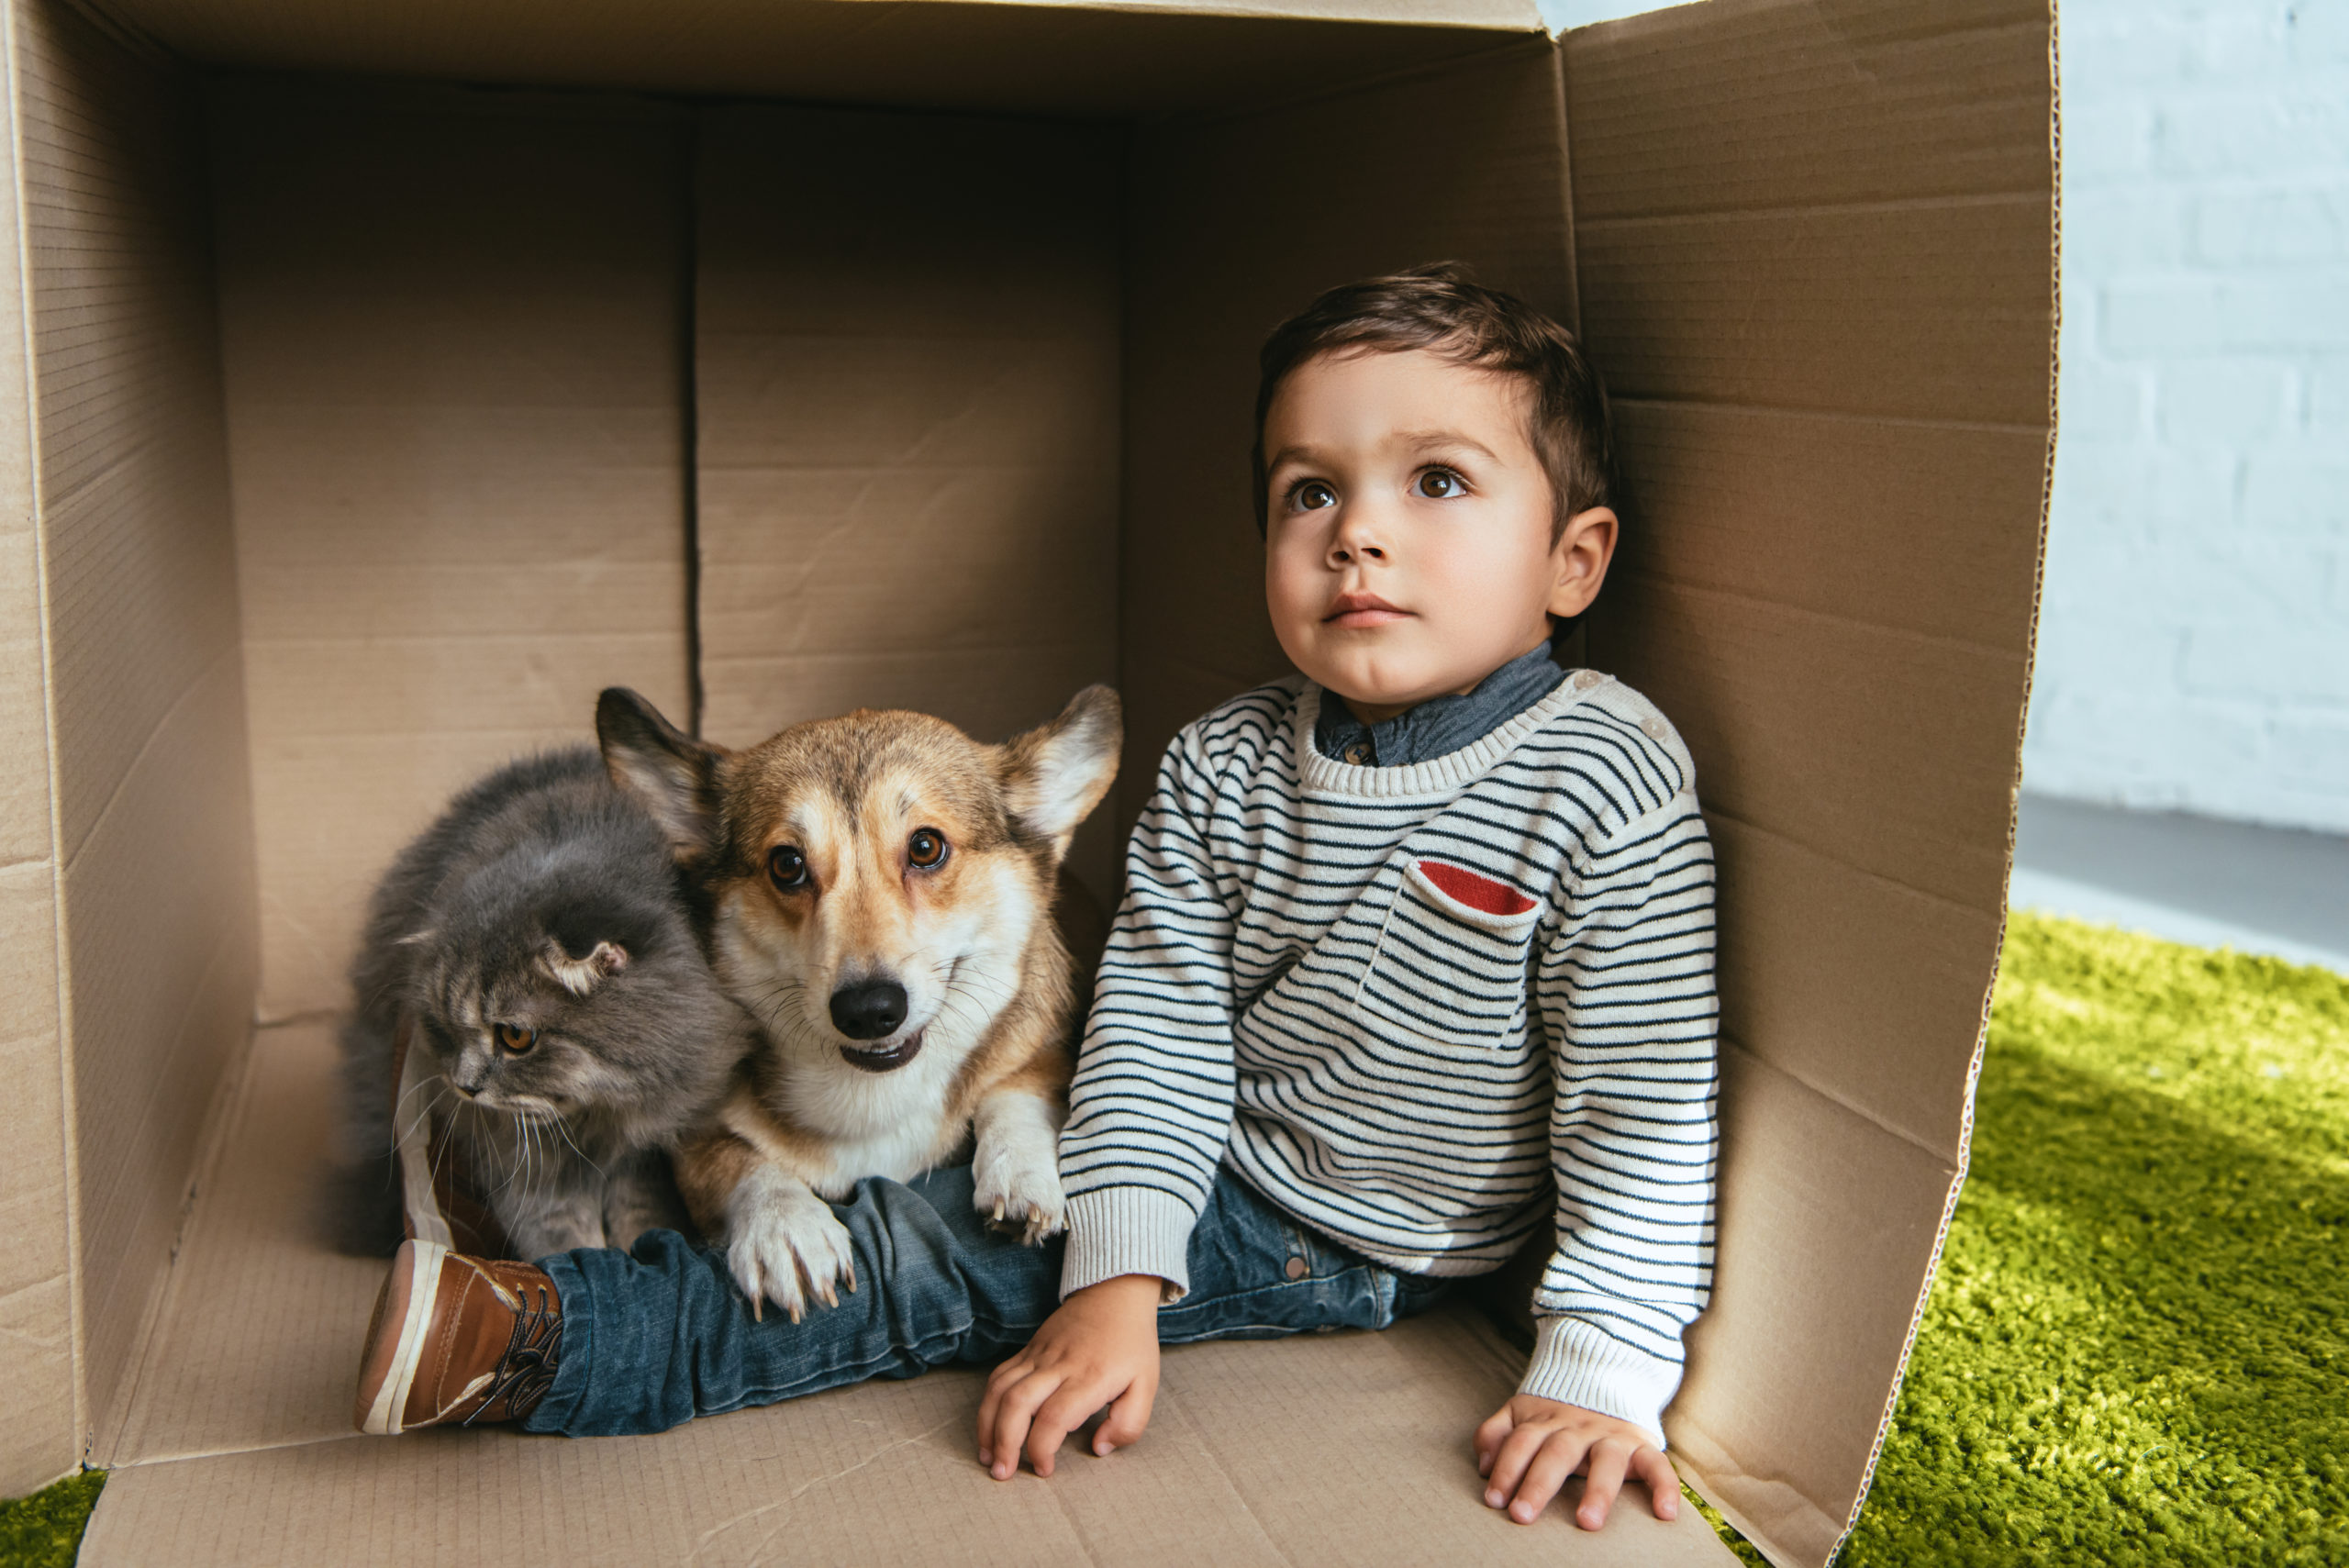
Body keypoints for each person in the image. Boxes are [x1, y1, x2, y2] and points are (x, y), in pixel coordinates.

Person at [351, 262, 1719, 1534]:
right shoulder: (1222, 760)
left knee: (920, 1264)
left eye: (1432, 481)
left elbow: (1643, 1092)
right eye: (1309, 491)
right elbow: (1160, 1027)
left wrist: (1601, 1359)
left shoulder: (1606, 775)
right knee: (934, 1203)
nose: (1357, 530)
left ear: (1574, 562)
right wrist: (1122, 1254)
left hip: (1354, 1229)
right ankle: (534, 1222)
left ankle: (560, 1341)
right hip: (1186, 1149)